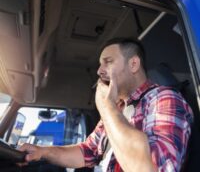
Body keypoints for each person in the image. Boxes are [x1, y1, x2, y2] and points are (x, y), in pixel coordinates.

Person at [19, 38, 193, 172]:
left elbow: (153, 168)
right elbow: (87, 151)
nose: (99, 71)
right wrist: (43, 151)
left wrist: (105, 106)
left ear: (133, 64)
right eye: (100, 64)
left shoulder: (164, 99)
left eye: (108, 62)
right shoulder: (118, 109)